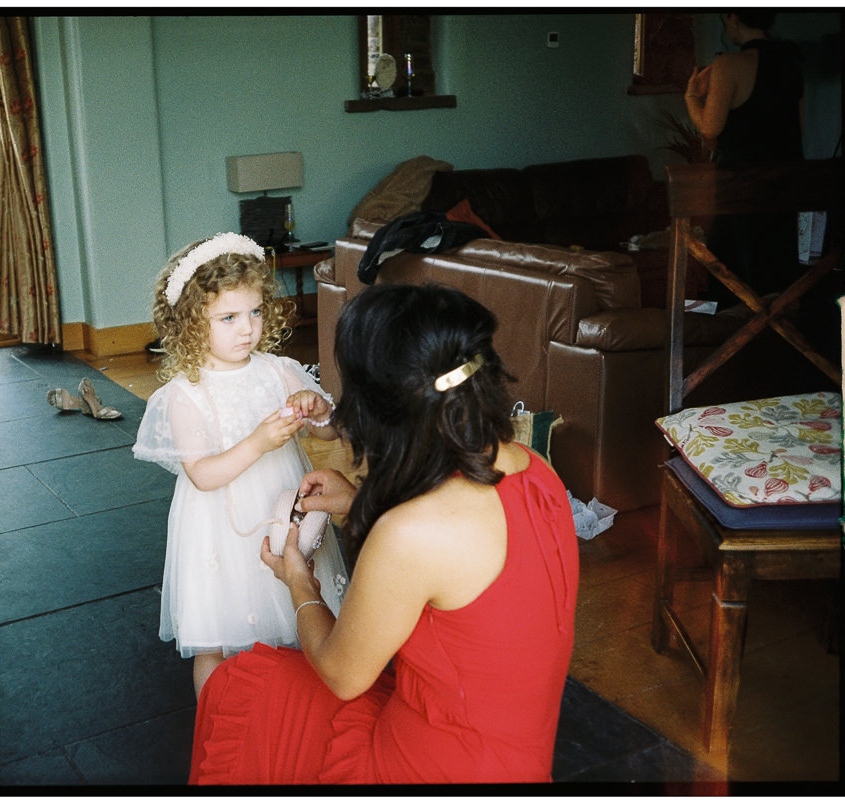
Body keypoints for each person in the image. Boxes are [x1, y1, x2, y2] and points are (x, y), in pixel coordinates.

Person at [189, 283, 579, 784]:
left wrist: (298, 580)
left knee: (239, 685)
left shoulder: (412, 532)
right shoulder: (536, 469)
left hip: (429, 769)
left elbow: (341, 674)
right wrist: (355, 502)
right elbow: (473, 561)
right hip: (519, 761)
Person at [133, 232, 348, 699]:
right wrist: (258, 441)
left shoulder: (278, 370)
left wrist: (319, 411)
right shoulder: (186, 393)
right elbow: (203, 474)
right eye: (227, 318)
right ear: (193, 323)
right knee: (217, 638)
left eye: (253, 312)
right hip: (219, 531)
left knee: (298, 616)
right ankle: (217, 729)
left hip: (281, 513)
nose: (246, 329)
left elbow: (330, 432)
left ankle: (296, 716)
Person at [684, 11, 804, 298]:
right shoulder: (791, 62)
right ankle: (778, 337)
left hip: (739, 188)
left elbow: (710, 129)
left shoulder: (730, 64)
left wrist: (691, 98)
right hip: (785, 185)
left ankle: (733, 338)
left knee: (730, 273)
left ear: (733, 20)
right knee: (776, 275)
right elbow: (797, 127)